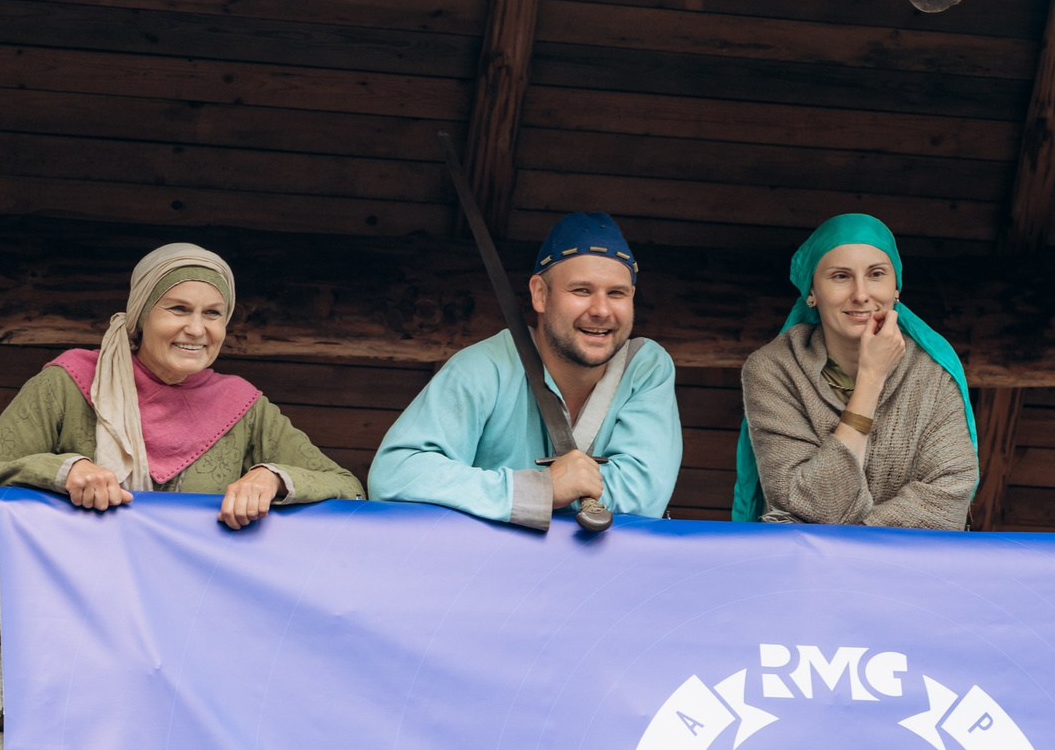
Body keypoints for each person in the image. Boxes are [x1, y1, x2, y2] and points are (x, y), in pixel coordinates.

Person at [0, 242, 361, 529]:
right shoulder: (69, 384)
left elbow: (348, 487)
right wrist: (63, 470)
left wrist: (272, 478)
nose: (196, 329)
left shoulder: (244, 407)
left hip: (196, 610)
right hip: (82, 605)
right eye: (178, 308)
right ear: (141, 316)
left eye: (213, 314)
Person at [370, 212, 680, 528]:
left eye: (617, 293)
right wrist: (540, 490)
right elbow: (395, 474)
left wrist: (513, 496)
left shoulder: (645, 366)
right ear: (540, 294)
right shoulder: (484, 366)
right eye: (581, 290)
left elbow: (644, 494)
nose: (601, 310)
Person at [735, 213, 976, 528]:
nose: (861, 294)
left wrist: (850, 540)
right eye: (840, 276)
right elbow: (803, 502)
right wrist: (871, 379)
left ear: (896, 289)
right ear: (811, 293)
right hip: (806, 570)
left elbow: (948, 501)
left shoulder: (932, 373)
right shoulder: (775, 370)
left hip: (910, 570)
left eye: (876, 274)